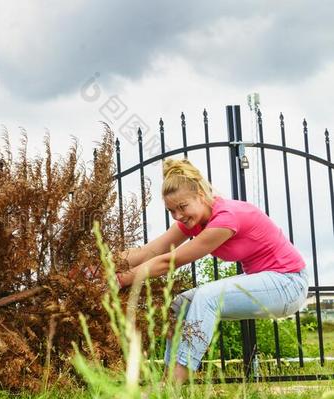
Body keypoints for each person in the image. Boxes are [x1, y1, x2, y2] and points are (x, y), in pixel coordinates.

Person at [115, 158, 309, 383]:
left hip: (289, 283)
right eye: (171, 211)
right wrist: (101, 263)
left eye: (182, 207)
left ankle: (174, 383)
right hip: (267, 281)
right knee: (177, 307)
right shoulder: (194, 221)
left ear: (199, 194)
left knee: (207, 297)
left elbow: (169, 262)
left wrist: (120, 280)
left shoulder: (226, 218)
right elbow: (151, 251)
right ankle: (167, 383)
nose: (178, 216)